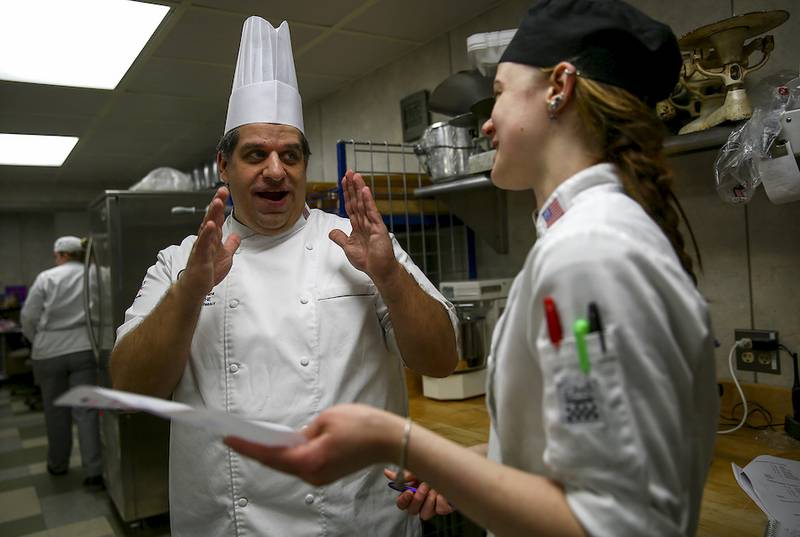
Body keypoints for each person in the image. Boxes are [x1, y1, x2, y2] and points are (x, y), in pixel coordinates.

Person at [224, 1, 720, 536]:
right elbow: (576, 463)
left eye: (501, 93)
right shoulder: (591, 239)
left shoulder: (588, 255)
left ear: (560, 87)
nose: (487, 120)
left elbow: (616, 523)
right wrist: (465, 465)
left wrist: (397, 441)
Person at [109, 16, 459, 537]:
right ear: (224, 166)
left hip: (353, 520)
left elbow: (441, 359)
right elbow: (130, 386)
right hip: (228, 523)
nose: (276, 170)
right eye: (256, 154)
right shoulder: (181, 260)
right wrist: (190, 292)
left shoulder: (358, 245)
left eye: (290, 155)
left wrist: (388, 275)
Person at [20, 236, 103, 488]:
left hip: (49, 352)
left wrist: (38, 341)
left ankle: (58, 464)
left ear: (62, 254)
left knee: (56, 413)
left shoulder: (47, 278)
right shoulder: (96, 274)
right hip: (84, 348)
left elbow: (28, 316)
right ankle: (93, 472)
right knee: (87, 412)